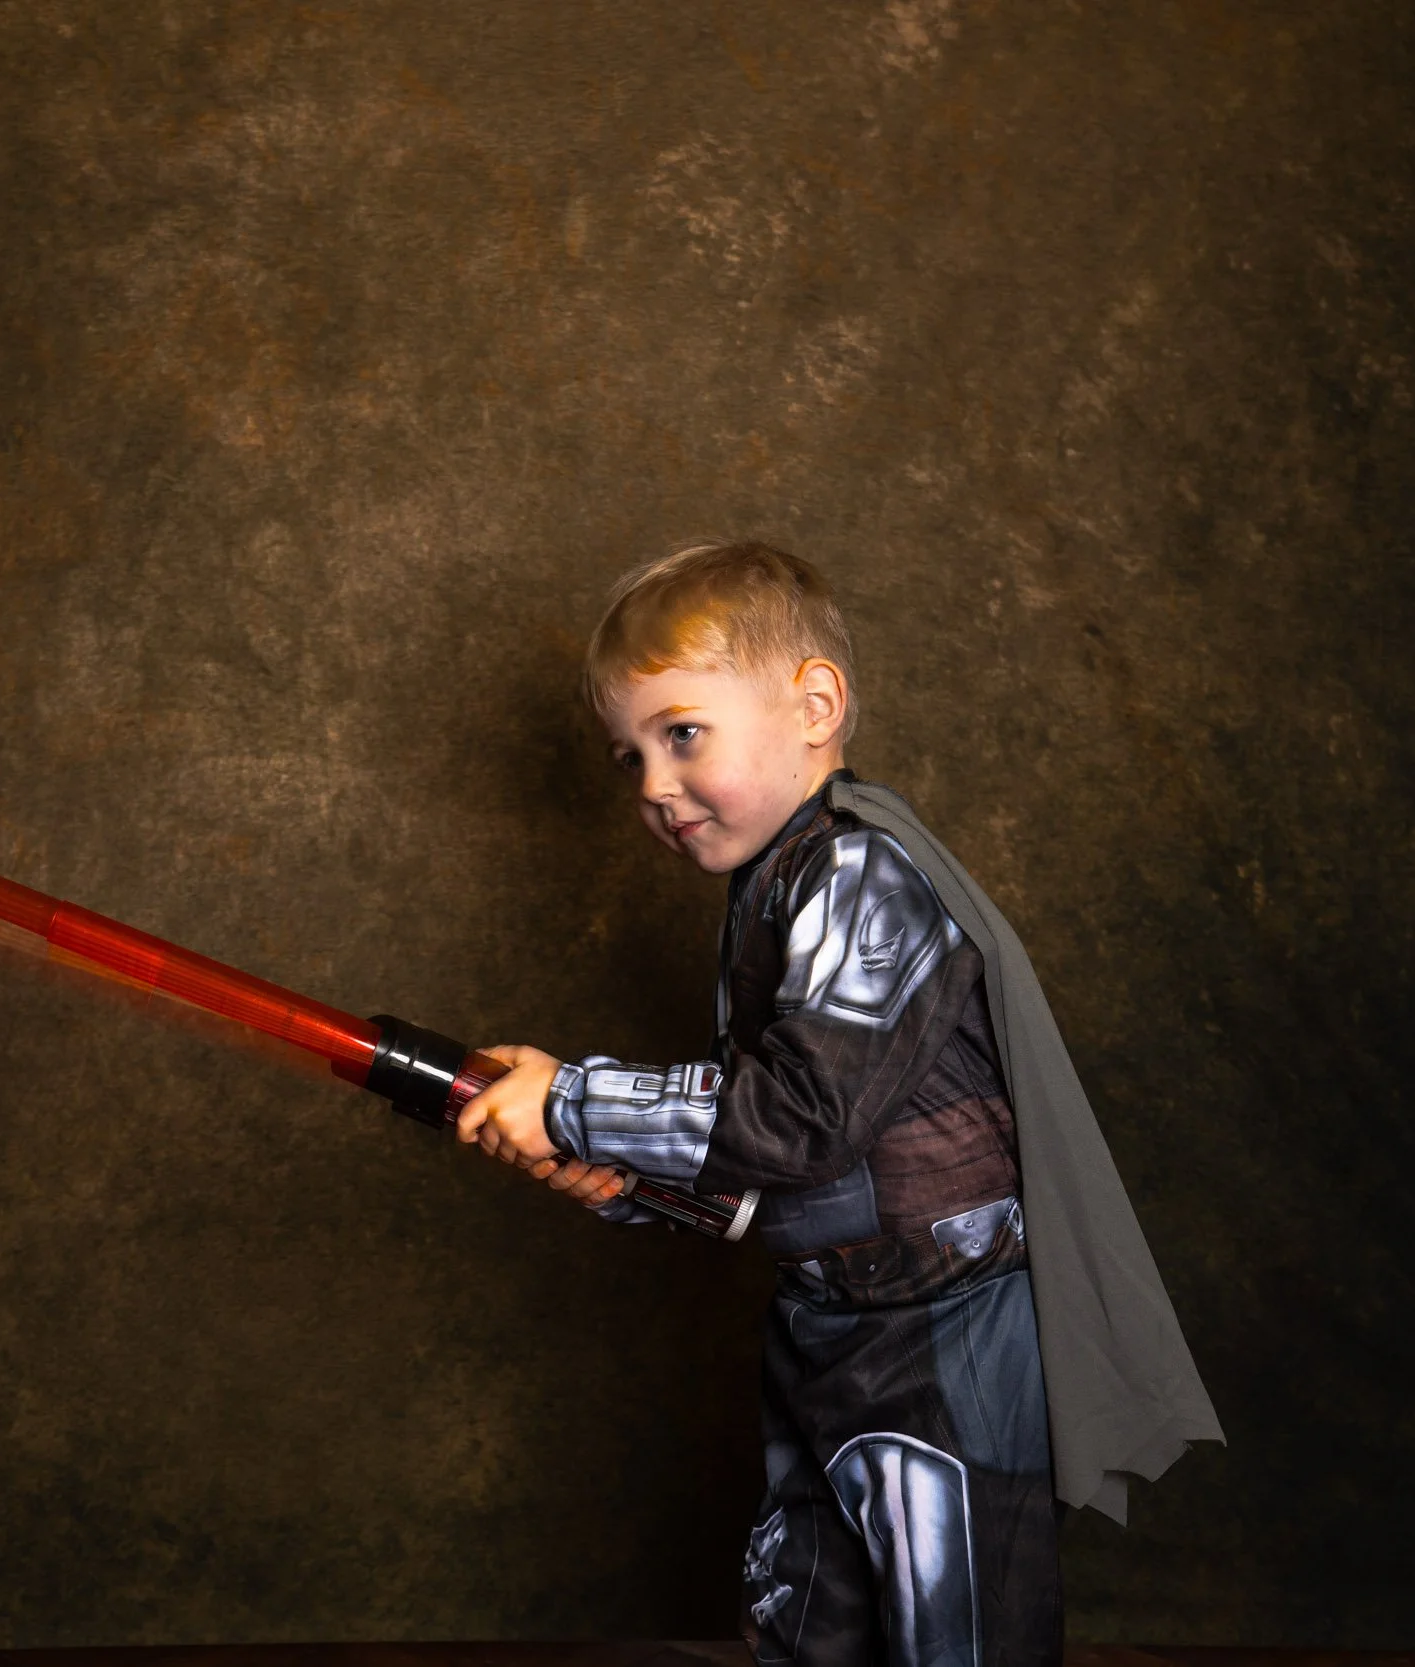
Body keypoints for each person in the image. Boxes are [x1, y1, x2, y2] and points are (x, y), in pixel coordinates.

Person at [455, 542, 1219, 1667]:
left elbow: (803, 1114)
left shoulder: (865, 873)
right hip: (825, 1333)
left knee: (955, 1637)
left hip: (943, 1341)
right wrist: (630, 1181)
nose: (652, 786)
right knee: (808, 1629)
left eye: (681, 733)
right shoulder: (774, 882)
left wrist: (574, 1101)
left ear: (814, 705)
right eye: (629, 758)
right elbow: (790, 1175)